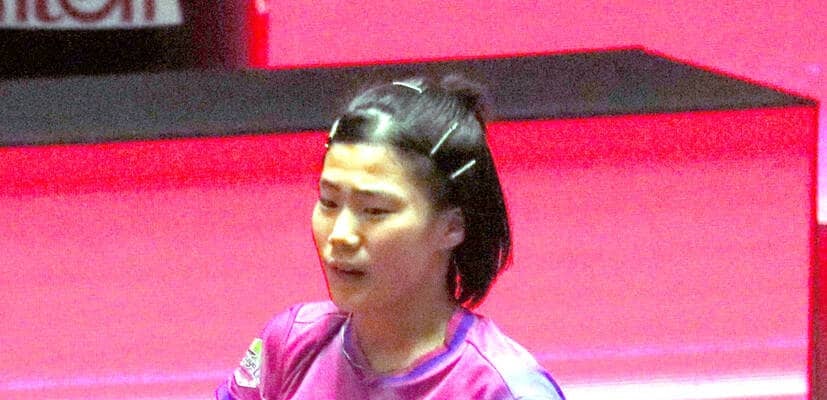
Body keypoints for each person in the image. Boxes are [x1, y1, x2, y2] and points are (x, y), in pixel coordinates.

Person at [216, 75, 565, 400]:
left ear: (452, 226)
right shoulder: (290, 342)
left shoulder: (499, 389)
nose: (340, 235)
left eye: (375, 210)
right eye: (329, 202)